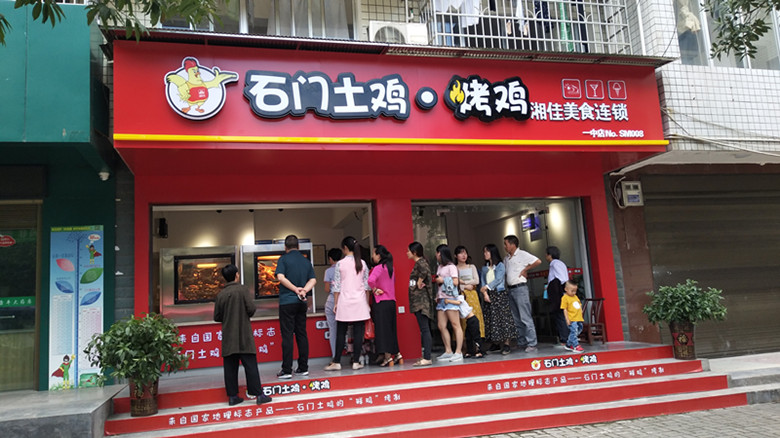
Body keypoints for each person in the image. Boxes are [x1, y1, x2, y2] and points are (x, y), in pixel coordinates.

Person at [213, 264, 272, 406]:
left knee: (230, 367)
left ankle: (233, 397)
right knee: (250, 365)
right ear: (236, 275)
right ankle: (258, 394)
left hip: (228, 336)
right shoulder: (243, 289)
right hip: (244, 334)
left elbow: (217, 316)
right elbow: (251, 309)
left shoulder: (221, 294)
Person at [325, 236, 371, 371]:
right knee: (358, 332)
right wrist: (367, 303)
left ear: (345, 248)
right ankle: (356, 361)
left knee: (341, 332)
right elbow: (367, 286)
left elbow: (337, 286)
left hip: (344, 301)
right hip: (360, 301)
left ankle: (337, 361)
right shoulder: (362, 263)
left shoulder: (340, 264)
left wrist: (335, 303)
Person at [275, 234, 316, 380]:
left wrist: (294, 289)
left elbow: (280, 277)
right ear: (298, 246)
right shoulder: (305, 261)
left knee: (287, 335)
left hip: (287, 301)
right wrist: (303, 290)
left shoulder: (283, 259)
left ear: (285, 247)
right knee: (301, 334)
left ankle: (287, 370)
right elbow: (313, 279)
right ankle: (303, 368)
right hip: (301, 302)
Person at [503, 234, 541, 353]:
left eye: (506, 244)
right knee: (516, 318)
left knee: (525, 317)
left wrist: (525, 269)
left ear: (512, 245)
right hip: (510, 289)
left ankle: (532, 343)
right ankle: (521, 341)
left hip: (520, 288)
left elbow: (538, 261)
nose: (504, 246)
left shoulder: (522, 254)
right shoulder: (506, 258)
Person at [369, 244, 402, 367]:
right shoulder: (390, 268)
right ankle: (398, 354)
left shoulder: (378, 268)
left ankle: (388, 358)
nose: (372, 256)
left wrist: (374, 289)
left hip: (381, 302)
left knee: (383, 331)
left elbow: (370, 280)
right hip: (391, 302)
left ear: (378, 255)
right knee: (392, 329)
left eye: (373, 253)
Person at [479, 243, 516, 355]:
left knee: (503, 318)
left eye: (487, 251)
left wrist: (487, 287)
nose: (485, 254)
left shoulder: (500, 265)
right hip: (489, 295)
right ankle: (495, 342)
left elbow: (499, 279)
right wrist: (485, 293)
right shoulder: (484, 268)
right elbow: (483, 281)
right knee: (492, 319)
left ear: (492, 252)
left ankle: (507, 344)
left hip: (499, 294)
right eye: (484, 252)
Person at [407, 241, 436, 367]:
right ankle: (426, 356)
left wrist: (419, 281)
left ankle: (427, 357)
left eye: (408, 251)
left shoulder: (421, 263)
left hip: (421, 302)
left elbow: (424, 271)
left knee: (425, 329)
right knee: (423, 329)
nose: (407, 253)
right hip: (418, 302)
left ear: (414, 252)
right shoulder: (419, 263)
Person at [454, 245, 485, 357]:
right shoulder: (454, 268)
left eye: (465, 253)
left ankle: (479, 347)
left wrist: (464, 283)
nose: (464, 255)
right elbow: (454, 282)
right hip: (461, 296)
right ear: (455, 256)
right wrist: (465, 286)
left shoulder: (471, 267)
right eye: (461, 253)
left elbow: (476, 280)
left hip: (473, 296)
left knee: (476, 319)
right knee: (463, 321)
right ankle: (467, 348)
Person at [435, 244, 463, 362]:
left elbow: (456, 282)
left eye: (437, 253)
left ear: (441, 253)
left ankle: (458, 351)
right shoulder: (440, 267)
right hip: (441, 299)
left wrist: (443, 280)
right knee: (441, 326)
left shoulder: (451, 266)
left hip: (451, 299)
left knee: (455, 324)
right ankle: (448, 351)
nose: (436, 255)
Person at [445, 294, 485, 358]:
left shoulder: (460, 297)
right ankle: (470, 351)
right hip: (468, 320)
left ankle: (480, 351)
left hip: (472, 319)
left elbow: (458, 302)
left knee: (476, 336)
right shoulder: (454, 301)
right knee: (468, 336)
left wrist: (448, 301)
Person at [546, 246, 570, 346]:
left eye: (547, 254)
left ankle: (564, 339)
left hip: (558, 294)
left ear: (550, 255)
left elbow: (562, 279)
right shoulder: (559, 263)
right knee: (560, 315)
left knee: (560, 316)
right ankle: (564, 338)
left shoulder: (555, 264)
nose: (546, 257)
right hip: (560, 293)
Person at [323, 247, 343, 357]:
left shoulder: (328, 271)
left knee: (333, 331)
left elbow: (327, 289)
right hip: (344, 300)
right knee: (345, 329)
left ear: (330, 259)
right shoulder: (344, 269)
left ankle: (335, 357)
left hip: (331, 301)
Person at [561, 280, 585, 352]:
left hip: (578, 317)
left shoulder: (575, 297)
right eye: (572, 291)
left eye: (575, 291)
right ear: (566, 289)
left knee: (579, 329)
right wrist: (567, 319)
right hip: (572, 318)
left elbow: (579, 305)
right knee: (574, 331)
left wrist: (581, 312)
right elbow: (565, 309)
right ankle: (575, 345)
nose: (574, 293)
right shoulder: (565, 298)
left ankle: (568, 344)